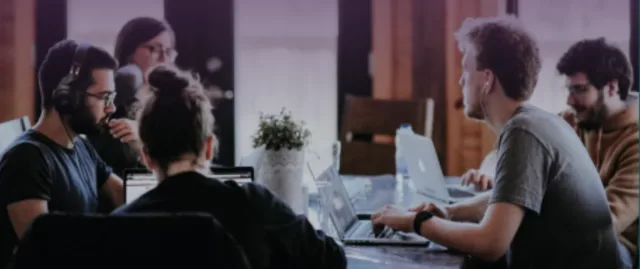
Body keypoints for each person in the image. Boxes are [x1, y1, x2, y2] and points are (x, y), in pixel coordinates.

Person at [370, 16, 621, 269]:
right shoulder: (539, 122)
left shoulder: (523, 132)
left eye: (465, 72)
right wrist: (450, 212)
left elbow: (491, 243)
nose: (461, 82)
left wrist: (415, 222)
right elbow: (508, 200)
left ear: (487, 80)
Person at [112, 64, 346, 269]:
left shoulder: (120, 225)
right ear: (209, 147)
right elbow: (332, 259)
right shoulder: (253, 203)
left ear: (146, 157)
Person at [460, 37, 639, 267]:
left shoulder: (635, 140)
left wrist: (513, 207)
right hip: (560, 233)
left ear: (612, 87)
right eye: (569, 89)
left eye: (580, 89)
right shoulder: (571, 119)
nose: (569, 100)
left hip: (612, 249)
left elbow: (603, 223)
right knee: (477, 248)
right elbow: (514, 150)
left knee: (495, 240)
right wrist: (490, 173)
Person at [0, 40, 124, 268]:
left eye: (112, 98)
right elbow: (43, 253)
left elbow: (126, 199)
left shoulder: (81, 146)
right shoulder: (27, 158)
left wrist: (146, 148)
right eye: (104, 97)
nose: (111, 108)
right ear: (66, 97)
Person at [87, 17, 177, 178]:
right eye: (154, 49)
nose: (164, 58)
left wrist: (142, 139)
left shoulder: (171, 100)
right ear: (129, 52)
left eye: (168, 51)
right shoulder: (114, 95)